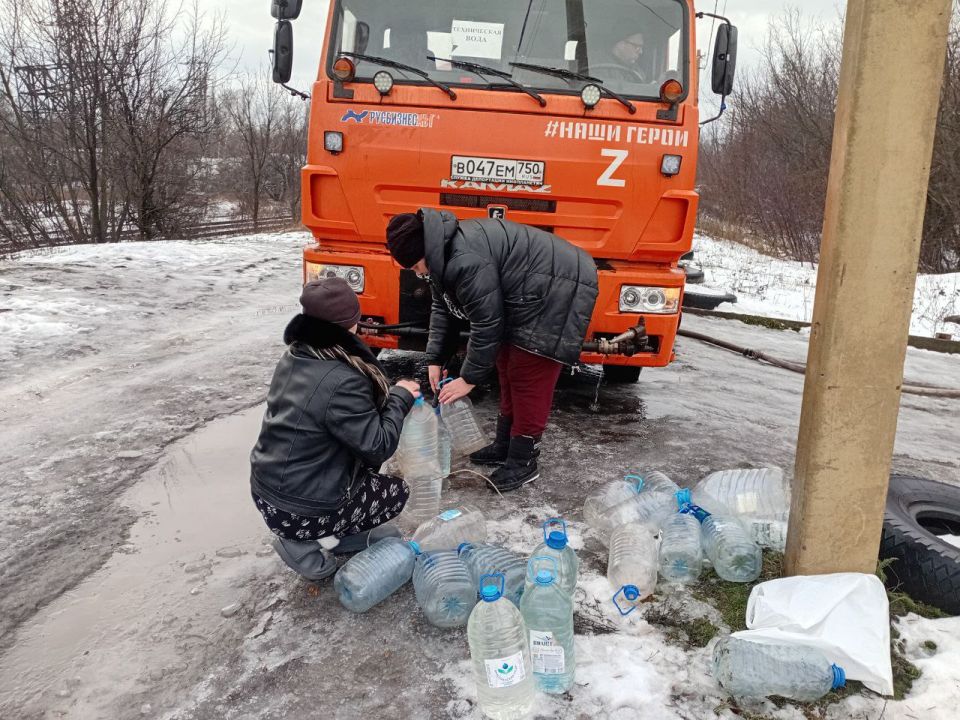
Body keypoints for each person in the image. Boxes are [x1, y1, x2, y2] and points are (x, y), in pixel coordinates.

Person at [386, 209, 599, 493]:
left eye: (414, 267)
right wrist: (435, 359)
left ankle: (525, 459)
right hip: (529, 285)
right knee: (506, 362)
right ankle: (505, 444)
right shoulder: (440, 254)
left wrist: (468, 379)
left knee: (527, 370)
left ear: (423, 251)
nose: (417, 274)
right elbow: (443, 306)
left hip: (558, 285)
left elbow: (486, 322)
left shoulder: (464, 260)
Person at [249, 277, 421, 581]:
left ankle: (333, 534)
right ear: (351, 321)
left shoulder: (296, 355)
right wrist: (400, 397)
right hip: (295, 508)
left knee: (367, 480)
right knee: (395, 493)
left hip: (268, 488)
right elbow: (378, 444)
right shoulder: (344, 378)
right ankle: (301, 543)